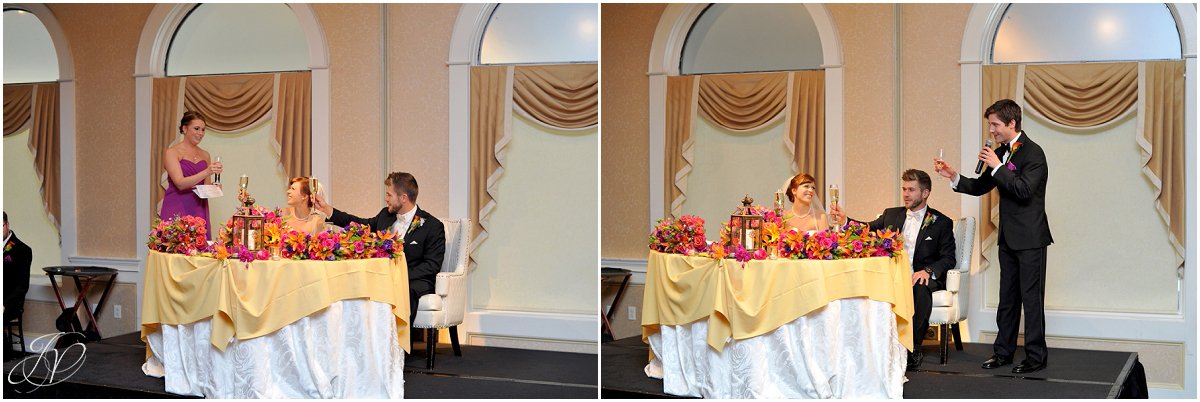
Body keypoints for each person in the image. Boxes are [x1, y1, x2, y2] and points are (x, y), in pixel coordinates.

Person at [933, 99, 1053, 374]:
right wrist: (953, 176)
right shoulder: (1000, 153)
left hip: (1032, 238)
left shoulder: (1034, 154)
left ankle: (1036, 357)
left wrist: (999, 166)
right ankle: (1003, 353)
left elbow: (1024, 190)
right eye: (990, 125)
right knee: (1007, 298)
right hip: (1008, 237)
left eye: (996, 124)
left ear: (1012, 123)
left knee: (1031, 299)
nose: (992, 130)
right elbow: (979, 186)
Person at [829, 169, 955, 370]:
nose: (905, 194)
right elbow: (867, 229)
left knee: (920, 286)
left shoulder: (941, 222)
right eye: (904, 189)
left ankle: (912, 349)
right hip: (892, 276)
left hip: (920, 277)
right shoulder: (891, 215)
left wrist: (928, 271)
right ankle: (868, 348)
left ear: (925, 193)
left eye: (911, 190)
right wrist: (845, 221)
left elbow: (949, 258)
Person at [313, 172, 446, 323]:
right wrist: (327, 209)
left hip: (413, 281)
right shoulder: (385, 215)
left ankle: (402, 345)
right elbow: (359, 225)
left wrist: (398, 275)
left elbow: (431, 266)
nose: (386, 199)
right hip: (383, 277)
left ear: (403, 198)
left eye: (389, 195)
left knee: (402, 292)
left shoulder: (432, 226)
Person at [161, 111, 223, 238]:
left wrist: (215, 189)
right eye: (196, 128)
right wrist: (206, 171)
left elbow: (205, 189)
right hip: (177, 207)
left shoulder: (205, 155)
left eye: (203, 130)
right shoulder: (172, 152)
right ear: (184, 129)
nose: (200, 133)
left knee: (199, 251)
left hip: (198, 209)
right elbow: (180, 183)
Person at [4, 212, 32, 356]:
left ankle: (5, 360)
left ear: (7, 225)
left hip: (10, 302)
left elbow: (22, 286)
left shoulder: (22, 250)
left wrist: (4, 304)